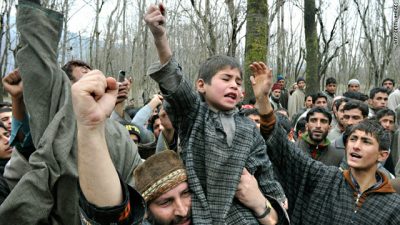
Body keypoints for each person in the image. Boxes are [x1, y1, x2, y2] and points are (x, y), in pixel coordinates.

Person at [0, 1, 142, 224]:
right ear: (66, 88)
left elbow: (138, 183)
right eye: (82, 72)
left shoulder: (119, 133)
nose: (92, 74)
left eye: (92, 69)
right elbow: (27, 147)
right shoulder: (57, 119)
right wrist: (18, 99)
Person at [144, 4, 287, 224]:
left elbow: (264, 170)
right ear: (201, 85)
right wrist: (160, 37)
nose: (234, 86)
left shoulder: (249, 129)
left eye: (239, 83)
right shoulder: (194, 115)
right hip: (199, 215)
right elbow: (175, 84)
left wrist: (275, 200)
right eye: (226, 79)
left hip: (241, 216)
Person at [250, 62, 400, 224]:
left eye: (366, 142)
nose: (356, 146)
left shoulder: (393, 207)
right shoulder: (325, 178)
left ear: (383, 155)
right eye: (353, 139)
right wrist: (263, 101)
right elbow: (285, 150)